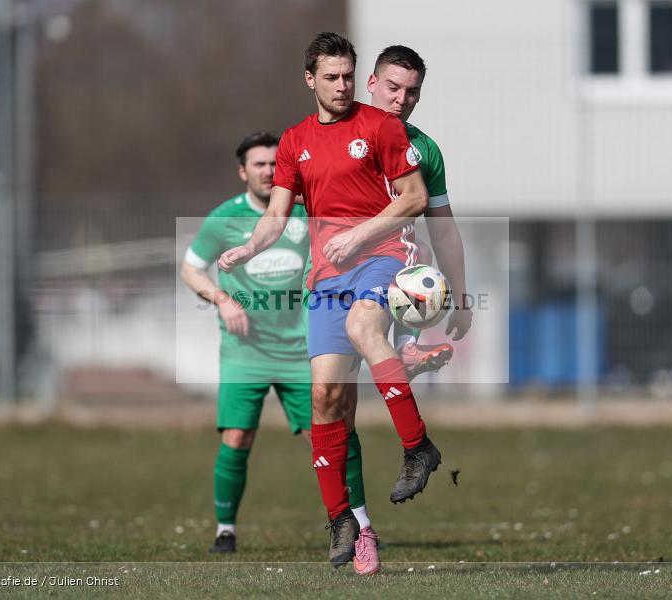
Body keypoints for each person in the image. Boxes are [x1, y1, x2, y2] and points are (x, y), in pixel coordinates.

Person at [218, 33, 441, 574]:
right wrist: (250, 246)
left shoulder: (381, 127)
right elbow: (276, 215)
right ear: (310, 79)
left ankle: (417, 447)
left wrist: (362, 235)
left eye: (348, 75)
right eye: (332, 77)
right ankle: (342, 518)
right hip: (328, 278)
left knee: (368, 326)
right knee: (325, 399)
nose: (342, 86)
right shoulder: (294, 142)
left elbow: (413, 198)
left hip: (385, 256)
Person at [182, 131, 356, 554]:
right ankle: (225, 529)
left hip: (302, 350)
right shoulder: (224, 217)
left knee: (330, 436)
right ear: (243, 171)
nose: (267, 171)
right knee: (237, 438)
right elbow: (191, 269)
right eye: (258, 164)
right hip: (246, 353)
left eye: (274, 164)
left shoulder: (304, 211)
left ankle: (351, 524)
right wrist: (223, 301)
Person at [367, 45, 473, 378]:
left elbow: (444, 231)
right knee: (332, 396)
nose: (401, 99)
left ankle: (406, 349)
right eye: (393, 88)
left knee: (421, 249)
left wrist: (461, 299)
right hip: (335, 268)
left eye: (412, 92)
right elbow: (290, 195)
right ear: (372, 82)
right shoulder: (341, 133)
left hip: (389, 267)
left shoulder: (424, 150)